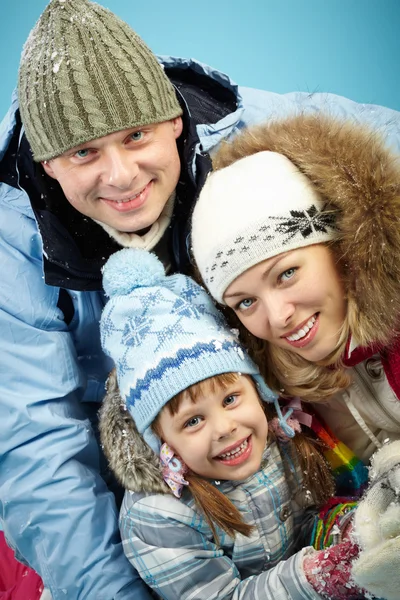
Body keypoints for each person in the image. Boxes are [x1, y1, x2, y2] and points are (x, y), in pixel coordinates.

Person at [1, 0, 399, 595]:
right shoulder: (14, 244)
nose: (121, 175)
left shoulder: (256, 134)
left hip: (265, 419)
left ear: (174, 121)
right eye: (84, 152)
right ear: (48, 162)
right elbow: (38, 442)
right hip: (152, 484)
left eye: (136, 136)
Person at [98, 246, 370, 600]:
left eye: (230, 399)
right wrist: (312, 577)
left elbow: (306, 522)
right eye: (193, 420)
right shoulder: (160, 518)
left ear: (257, 391)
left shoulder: (277, 442)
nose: (225, 427)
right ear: (160, 440)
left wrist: (349, 534)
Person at [191, 113, 400, 467]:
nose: (278, 316)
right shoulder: (278, 402)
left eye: (286, 274)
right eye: (245, 302)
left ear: (341, 245)